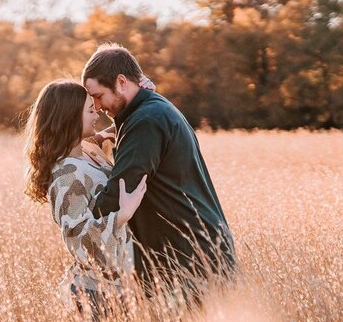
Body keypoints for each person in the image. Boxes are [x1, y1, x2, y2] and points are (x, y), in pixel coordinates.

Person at [82, 44, 236, 308]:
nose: (96, 106)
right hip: (197, 254)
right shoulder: (150, 109)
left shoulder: (146, 121)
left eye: (98, 96)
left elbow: (120, 191)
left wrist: (79, 223)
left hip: (190, 262)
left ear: (121, 82)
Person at [23, 78, 148, 322]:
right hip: (94, 294)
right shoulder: (66, 176)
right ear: (69, 118)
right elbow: (77, 236)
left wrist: (136, 94)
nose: (96, 115)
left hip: (114, 290)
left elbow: (87, 160)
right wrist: (123, 215)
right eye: (90, 111)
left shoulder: (85, 152)